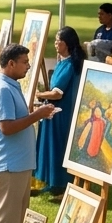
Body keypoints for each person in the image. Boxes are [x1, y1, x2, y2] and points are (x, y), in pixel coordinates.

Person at [0, 44, 56, 223]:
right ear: (11, 63)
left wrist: (34, 113)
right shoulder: (2, 89)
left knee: (17, 219)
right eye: (24, 62)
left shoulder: (9, 85)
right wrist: (36, 115)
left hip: (19, 164)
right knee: (6, 222)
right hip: (10, 164)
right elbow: (6, 127)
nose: (28, 66)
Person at [34, 28, 85, 198]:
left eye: (59, 41)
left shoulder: (70, 65)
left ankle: (62, 184)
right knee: (50, 147)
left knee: (57, 147)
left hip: (61, 113)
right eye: (55, 40)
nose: (55, 44)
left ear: (68, 44)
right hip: (54, 112)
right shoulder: (63, 62)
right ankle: (52, 182)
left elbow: (57, 93)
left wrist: (38, 94)